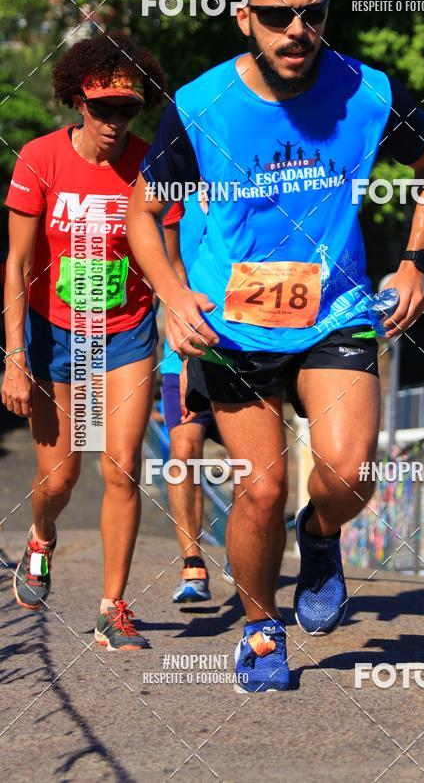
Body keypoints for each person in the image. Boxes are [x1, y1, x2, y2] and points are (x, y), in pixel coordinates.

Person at [126, 0, 424, 690]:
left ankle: (321, 530)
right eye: (277, 16)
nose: (296, 30)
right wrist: (172, 293)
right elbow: (143, 212)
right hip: (234, 325)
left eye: (312, 13)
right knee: (262, 487)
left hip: (336, 309)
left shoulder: (368, 92)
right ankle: (261, 632)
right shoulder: (202, 107)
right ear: (244, 18)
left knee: (350, 470)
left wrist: (415, 262)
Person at [2, 33, 181, 650]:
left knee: (122, 466)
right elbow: (16, 264)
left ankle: (112, 609)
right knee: (59, 480)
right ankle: (41, 538)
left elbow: (169, 266)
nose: (113, 122)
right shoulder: (40, 159)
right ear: (78, 101)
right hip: (55, 337)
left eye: (126, 110)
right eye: (102, 108)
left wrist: (182, 338)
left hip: (126, 334)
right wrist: (14, 358)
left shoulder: (151, 167)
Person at [161, 194, 230, 602]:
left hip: (244, 351)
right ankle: (193, 564)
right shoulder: (174, 203)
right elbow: (168, 275)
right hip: (183, 352)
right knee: (183, 450)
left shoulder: (247, 191)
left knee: (257, 461)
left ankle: (247, 541)